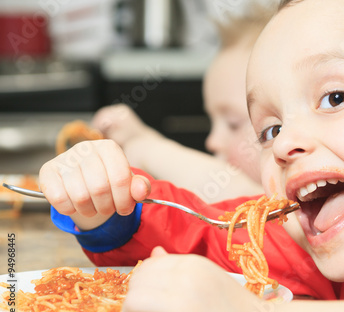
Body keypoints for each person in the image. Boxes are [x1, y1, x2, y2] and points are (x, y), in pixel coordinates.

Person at [38, 0, 344, 312]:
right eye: (269, 128)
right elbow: (204, 235)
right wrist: (109, 205)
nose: (283, 144)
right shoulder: (315, 259)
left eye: (335, 98)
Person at [89, 3, 275, 203]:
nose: (212, 141)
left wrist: (145, 145)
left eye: (232, 123)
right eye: (211, 122)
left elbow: (244, 197)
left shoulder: (294, 209)